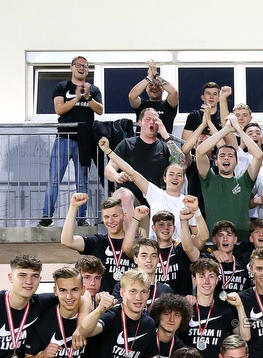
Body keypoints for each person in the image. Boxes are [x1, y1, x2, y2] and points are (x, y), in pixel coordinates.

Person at [78, 269, 168, 358]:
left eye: (143, 292)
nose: (138, 297)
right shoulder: (111, 316)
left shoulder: (148, 324)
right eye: (133, 291)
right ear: (122, 292)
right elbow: (85, 331)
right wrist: (99, 310)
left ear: (149, 294)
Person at [40, 56, 102, 226]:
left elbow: (100, 110)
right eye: (79, 65)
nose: (82, 68)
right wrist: (77, 98)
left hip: (84, 140)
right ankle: (47, 217)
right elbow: (59, 109)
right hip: (64, 137)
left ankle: (81, 219)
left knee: (82, 181)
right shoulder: (62, 86)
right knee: (54, 179)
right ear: (71, 67)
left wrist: (88, 97)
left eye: (85, 66)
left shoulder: (93, 89)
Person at [197, 114, 263, 231]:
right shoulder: (209, 180)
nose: (226, 158)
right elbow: (200, 151)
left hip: (241, 243)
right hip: (214, 242)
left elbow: (258, 155)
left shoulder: (244, 181)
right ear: (216, 162)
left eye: (230, 155)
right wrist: (226, 130)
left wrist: (239, 130)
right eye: (222, 155)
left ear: (237, 162)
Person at [61, 193, 133, 296]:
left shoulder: (135, 245)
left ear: (124, 216)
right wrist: (73, 207)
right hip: (101, 304)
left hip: (127, 305)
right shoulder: (97, 242)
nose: (110, 221)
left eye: (115, 216)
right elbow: (67, 241)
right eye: (106, 217)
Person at [105, 109, 180, 207]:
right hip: (131, 196)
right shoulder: (127, 144)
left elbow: (181, 163)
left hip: (157, 198)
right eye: (148, 119)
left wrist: (166, 136)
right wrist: (117, 176)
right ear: (140, 122)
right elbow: (109, 168)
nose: (152, 122)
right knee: (124, 195)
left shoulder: (165, 147)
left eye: (155, 120)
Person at [184, 258, 248, 358]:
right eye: (201, 276)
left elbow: (245, 337)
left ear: (217, 280)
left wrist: (240, 306)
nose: (207, 281)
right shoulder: (186, 308)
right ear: (194, 279)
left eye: (211, 276)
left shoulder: (224, 310)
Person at [127, 60, 179, 131]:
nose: (154, 87)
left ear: (163, 88)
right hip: (141, 141)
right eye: (150, 85)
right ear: (146, 89)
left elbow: (174, 92)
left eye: (158, 85)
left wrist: (156, 75)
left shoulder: (169, 105)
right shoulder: (141, 105)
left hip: (162, 141)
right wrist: (149, 77)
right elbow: (132, 96)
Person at [150, 293, 189, 358]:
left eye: (177, 315)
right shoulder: (145, 340)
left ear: (182, 319)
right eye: (167, 314)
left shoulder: (181, 350)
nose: (172, 319)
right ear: (158, 316)